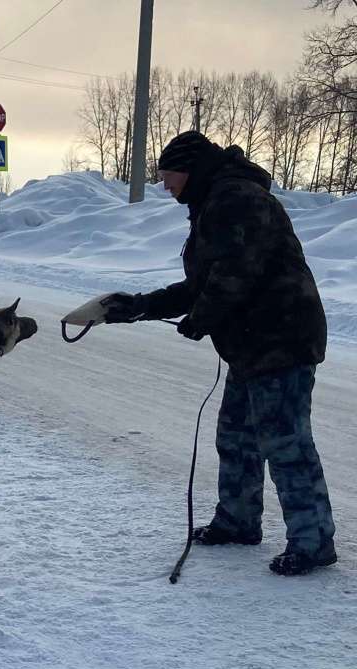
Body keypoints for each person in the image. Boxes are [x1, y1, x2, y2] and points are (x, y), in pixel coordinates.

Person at [104, 130, 337, 576]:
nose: (164, 185)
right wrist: (140, 306)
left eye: (168, 175)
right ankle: (238, 520)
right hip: (251, 342)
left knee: (285, 442)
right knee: (236, 436)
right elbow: (201, 284)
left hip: (281, 337)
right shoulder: (214, 201)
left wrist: (202, 318)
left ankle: (314, 539)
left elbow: (235, 274)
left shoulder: (237, 199)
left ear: (189, 170)